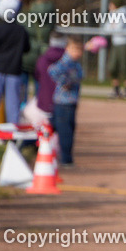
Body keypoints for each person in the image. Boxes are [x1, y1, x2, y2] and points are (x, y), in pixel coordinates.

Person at [0, 0, 30, 127]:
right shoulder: (21, 30)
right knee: (13, 104)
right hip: (14, 71)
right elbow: (27, 48)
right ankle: (12, 132)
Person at [48, 36, 84, 165]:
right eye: (74, 50)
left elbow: (80, 76)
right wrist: (65, 82)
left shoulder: (76, 64)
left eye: (79, 50)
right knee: (65, 131)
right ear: (67, 49)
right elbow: (52, 71)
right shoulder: (65, 62)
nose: (77, 53)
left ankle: (63, 156)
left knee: (63, 128)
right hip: (63, 102)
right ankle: (66, 159)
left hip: (71, 102)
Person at [21, 0, 54, 104]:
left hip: (26, 52)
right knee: (40, 88)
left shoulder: (25, 8)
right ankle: (38, 110)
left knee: (22, 89)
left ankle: (21, 110)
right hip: (42, 53)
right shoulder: (50, 9)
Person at [35, 33, 67, 124]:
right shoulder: (67, 60)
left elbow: (37, 76)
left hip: (44, 101)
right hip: (63, 102)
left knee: (45, 126)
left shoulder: (43, 59)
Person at [105, 0, 126, 99]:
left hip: (124, 43)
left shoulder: (123, 12)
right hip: (115, 43)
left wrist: (112, 26)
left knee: (124, 67)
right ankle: (116, 90)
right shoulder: (112, 14)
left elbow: (119, 28)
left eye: (111, 4)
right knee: (112, 67)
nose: (109, 7)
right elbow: (106, 28)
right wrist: (112, 25)